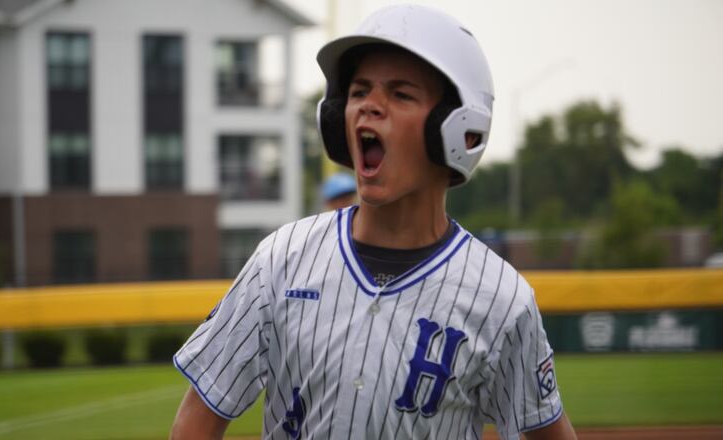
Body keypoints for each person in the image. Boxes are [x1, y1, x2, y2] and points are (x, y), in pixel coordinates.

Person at [171, 4, 576, 439]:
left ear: (459, 130)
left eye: (401, 94)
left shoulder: (500, 297)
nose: (369, 107)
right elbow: (195, 422)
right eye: (360, 91)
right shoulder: (280, 260)